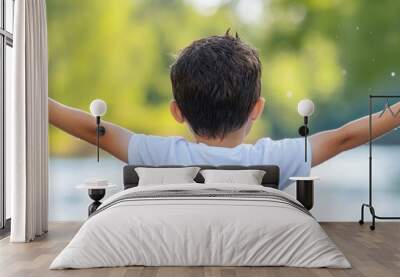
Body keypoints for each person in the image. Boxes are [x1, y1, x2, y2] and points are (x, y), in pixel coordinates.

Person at [49, 31, 400, 189]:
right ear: (257, 109)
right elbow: (345, 138)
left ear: (177, 112)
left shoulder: (158, 154)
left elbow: (92, 130)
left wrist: (38, 103)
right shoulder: (277, 158)